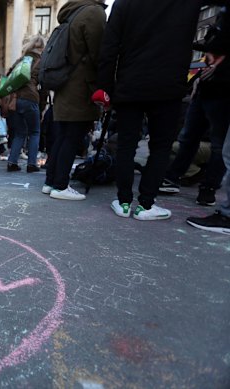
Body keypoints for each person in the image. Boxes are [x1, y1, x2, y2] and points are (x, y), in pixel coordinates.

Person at [95, 0, 227, 221]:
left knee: (127, 144)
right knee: (160, 147)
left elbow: (109, 47)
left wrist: (105, 87)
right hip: (168, 84)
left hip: (130, 83)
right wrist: (217, 47)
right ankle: (146, 204)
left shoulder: (125, 3)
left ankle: (124, 201)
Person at [42, 0, 106, 201]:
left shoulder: (70, 14)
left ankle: (51, 181)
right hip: (80, 86)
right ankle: (60, 185)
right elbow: (100, 54)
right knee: (72, 136)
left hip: (64, 84)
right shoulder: (93, 13)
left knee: (62, 136)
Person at [186, 4, 230, 234]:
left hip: (220, 91)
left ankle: (225, 213)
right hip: (212, 90)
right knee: (219, 147)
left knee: (222, 148)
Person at [5, 36, 45, 174]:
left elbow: (8, 75)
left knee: (20, 132)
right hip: (31, 98)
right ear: (41, 48)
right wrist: (42, 107)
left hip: (16, 100)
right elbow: (44, 86)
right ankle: (31, 164)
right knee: (34, 132)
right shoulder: (41, 62)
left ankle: (12, 162)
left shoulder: (21, 60)